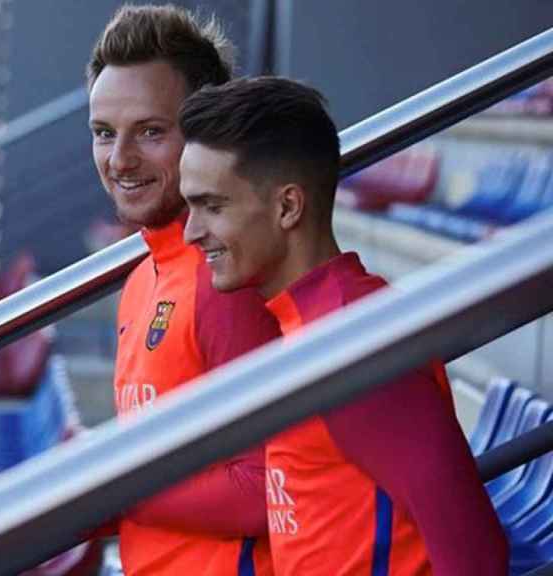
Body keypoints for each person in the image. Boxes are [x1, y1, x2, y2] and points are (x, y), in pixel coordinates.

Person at [178, 76, 508, 575]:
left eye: (212, 206)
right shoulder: (310, 322)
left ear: (287, 206)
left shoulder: (352, 343)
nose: (190, 232)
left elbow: (475, 556)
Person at [87, 6, 280, 575]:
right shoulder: (143, 277)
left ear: (205, 134)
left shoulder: (227, 280)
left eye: (150, 132)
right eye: (103, 133)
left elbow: (268, 488)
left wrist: (109, 488)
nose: (120, 160)